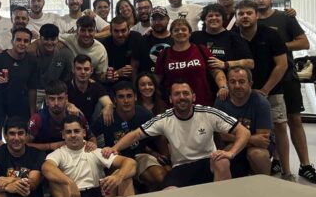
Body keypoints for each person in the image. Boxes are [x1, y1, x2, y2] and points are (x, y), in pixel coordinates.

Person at [104, 79, 250, 188]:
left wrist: (231, 153)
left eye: (185, 93)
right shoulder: (164, 119)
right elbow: (136, 134)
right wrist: (114, 148)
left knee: (222, 161)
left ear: (193, 97)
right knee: (169, 192)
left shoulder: (208, 113)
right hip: (181, 167)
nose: (181, 97)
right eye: (177, 94)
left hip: (208, 162)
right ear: (170, 99)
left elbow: (243, 132)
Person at [252, 0, 316, 184]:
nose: (260, 0)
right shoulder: (250, 19)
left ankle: (305, 165)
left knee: (294, 120)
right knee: (273, 123)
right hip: (263, 79)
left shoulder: (285, 18)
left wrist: (277, 46)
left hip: (286, 77)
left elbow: (303, 43)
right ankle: (277, 160)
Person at [235, 0, 290, 178]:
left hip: (272, 91)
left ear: (257, 15)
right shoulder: (233, 36)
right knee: (246, 130)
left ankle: (286, 171)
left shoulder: (271, 35)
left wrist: (265, 90)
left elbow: (282, 64)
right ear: (236, 17)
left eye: (249, 13)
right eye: (241, 14)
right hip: (241, 93)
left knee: (279, 127)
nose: (245, 16)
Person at [42, 115, 136, 197]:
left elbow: (131, 163)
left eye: (76, 131)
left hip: (99, 195)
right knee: (54, 181)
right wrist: (69, 182)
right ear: (63, 135)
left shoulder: (94, 151)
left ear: (84, 133)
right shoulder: (58, 153)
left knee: (124, 175)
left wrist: (118, 177)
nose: (73, 135)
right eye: (68, 132)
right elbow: (46, 168)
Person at [92, 82, 167, 190]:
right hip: (116, 159)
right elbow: (90, 135)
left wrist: (161, 156)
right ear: (115, 100)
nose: (126, 101)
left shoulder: (144, 114)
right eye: (121, 97)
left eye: (129, 96)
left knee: (160, 177)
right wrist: (95, 146)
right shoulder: (107, 116)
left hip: (139, 156)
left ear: (135, 97)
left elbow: (159, 136)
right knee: (115, 182)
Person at [214, 67, 273, 177]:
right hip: (232, 145)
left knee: (257, 154)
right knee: (222, 156)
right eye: (232, 82)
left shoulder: (261, 103)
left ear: (250, 83)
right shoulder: (221, 100)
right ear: (227, 83)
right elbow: (221, 135)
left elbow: (262, 140)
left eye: (241, 81)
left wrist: (233, 138)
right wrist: (250, 139)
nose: (237, 86)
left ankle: (266, 183)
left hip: (255, 148)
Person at [155, 18, 227, 106]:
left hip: (202, 104)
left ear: (189, 33)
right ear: (171, 34)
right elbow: (157, 80)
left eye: (184, 29)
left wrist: (223, 87)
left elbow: (216, 72)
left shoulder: (201, 50)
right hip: (174, 105)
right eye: (176, 30)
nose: (180, 32)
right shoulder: (164, 54)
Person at [0, 27, 38, 128]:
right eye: (18, 40)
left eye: (26, 41)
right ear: (12, 41)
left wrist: (33, 114)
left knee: (19, 133)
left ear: (29, 43)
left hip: (18, 105)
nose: (22, 43)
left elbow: (32, 88)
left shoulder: (32, 61)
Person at [27, 81, 93, 153]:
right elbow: (25, 144)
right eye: (52, 99)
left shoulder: (76, 114)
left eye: (60, 98)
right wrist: (51, 146)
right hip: (44, 156)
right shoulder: (37, 119)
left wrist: (92, 144)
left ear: (66, 99)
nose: (56, 103)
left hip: (72, 154)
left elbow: (91, 137)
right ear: (46, 100)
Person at [190, 3, 253, 75]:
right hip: (200, 80)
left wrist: (226, 64)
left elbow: (250, 63)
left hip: (226, 80)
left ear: (223, 19)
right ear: (204, 19)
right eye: (210, 16)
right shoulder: (195, 36)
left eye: (217, 15)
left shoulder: (234, 37)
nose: (214, 18)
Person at [29, 23, 73, 109]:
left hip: (56, 92)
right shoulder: (31, 52)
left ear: (57, 39)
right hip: (35, 91)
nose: (49, 43)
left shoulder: (65, 54)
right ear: (40, 39)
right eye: (46, 39)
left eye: (53, 39)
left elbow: (69, 76)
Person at [66, 55, 114, 125]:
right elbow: (59, 101)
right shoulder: (65, 86)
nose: (83, 72)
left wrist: (108, 107)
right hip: (69, 123)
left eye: (86, 69)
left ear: (91, 70)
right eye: (79, 68)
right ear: (73, 70)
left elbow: (108, 103)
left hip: (90, 123)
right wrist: (68, 105)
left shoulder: (96, 86)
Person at [101, 16, 141, 85]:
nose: (120, 35)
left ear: (129, 30)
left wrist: (134, 69)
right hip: (114, 83)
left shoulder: (136, 38)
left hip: (135, 80)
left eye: (123, 30)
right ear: (111, 31)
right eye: (116, 31)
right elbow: (103, 76)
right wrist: (117, 73)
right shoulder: (105, 45)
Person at [136, 6, 172, 74]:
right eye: (154, 19)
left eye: (161, 19)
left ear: (168, 20)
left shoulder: (175, 40)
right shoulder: (142, 40)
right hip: (148, 80)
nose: (157, 22)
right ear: (150, 20)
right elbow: (135, 65)